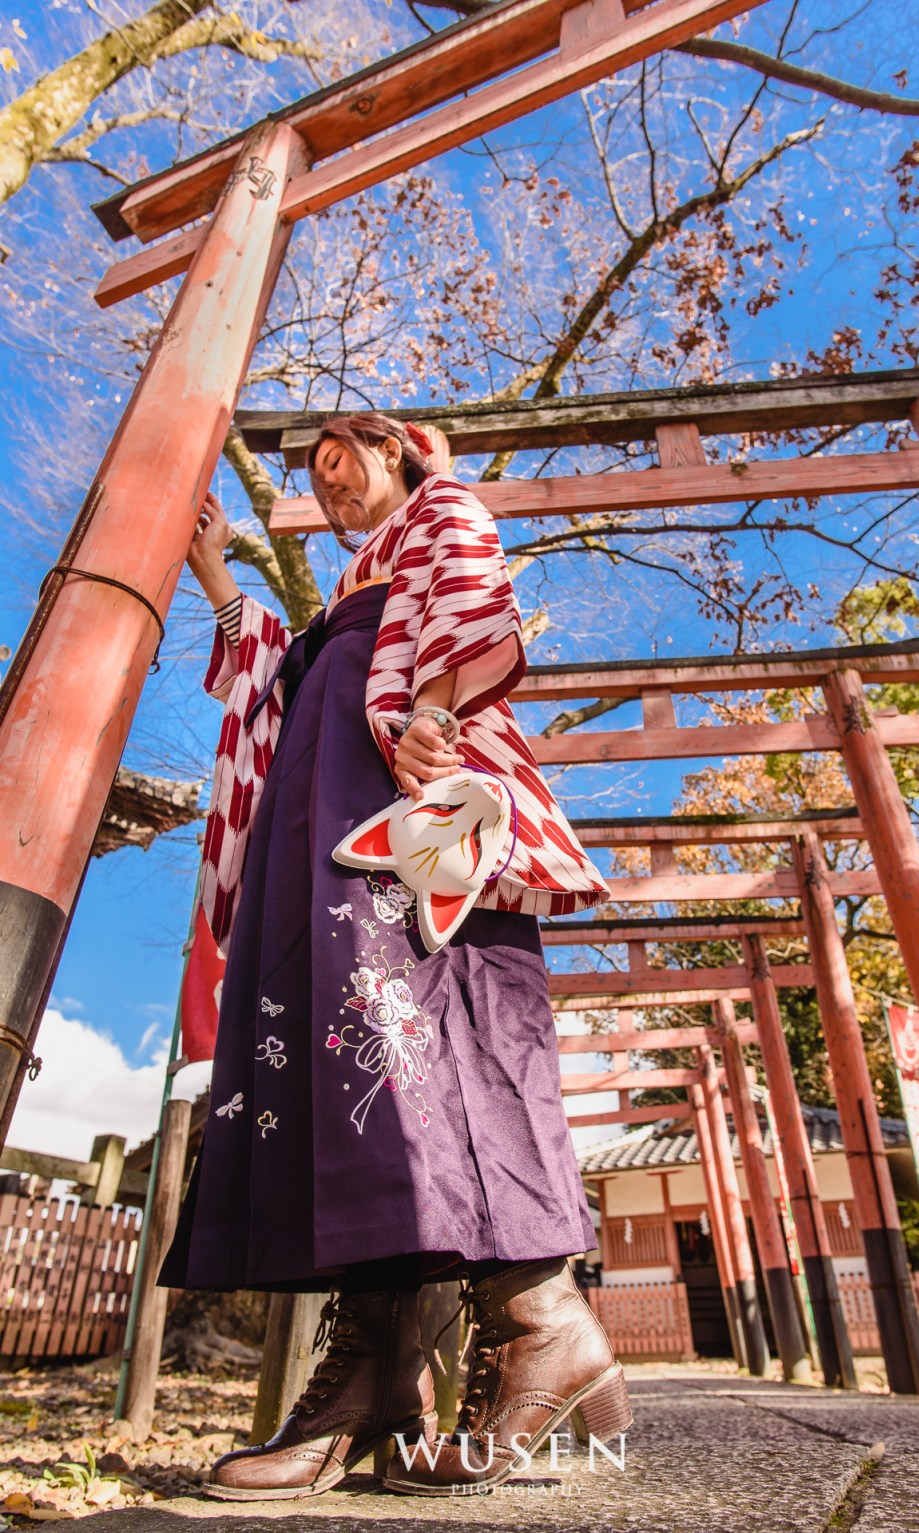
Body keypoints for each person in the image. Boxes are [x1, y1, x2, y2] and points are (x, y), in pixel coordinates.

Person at [160, 413, 633, 1499]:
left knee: (436, 1013)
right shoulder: (342, 599)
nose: (330, 490)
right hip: (320, 796)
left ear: (402, 457)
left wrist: (432, 708)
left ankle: (533, 1319)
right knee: (344, 1039)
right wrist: (216, 579)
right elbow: (280, 679)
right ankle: (379, 1360)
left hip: (401, 786)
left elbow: (465, 582)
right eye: (316, 480)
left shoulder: (440, 513)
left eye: (345, 463)